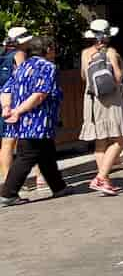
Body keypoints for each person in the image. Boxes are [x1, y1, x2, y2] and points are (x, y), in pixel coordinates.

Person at [0, 37, 67, 206]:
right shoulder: (48, 67)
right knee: (27, 155)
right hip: (38, 120)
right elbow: (39, 94)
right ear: (47, 49)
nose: (54, 51)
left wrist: (7, 108)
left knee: (46, 154)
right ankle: (8, 193)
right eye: (52, 48)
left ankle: (58, 187)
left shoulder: (22, 66)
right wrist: (18, 110)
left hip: (24, 121)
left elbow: (6, 90)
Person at [79, 19, 123, 196]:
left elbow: (84, 77)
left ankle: (105, 181)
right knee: (121, 140)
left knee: (100, 142)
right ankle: (101, 177)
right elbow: (117, 77)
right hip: (111, 100)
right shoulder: (111, 52)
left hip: (92, 100)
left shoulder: (85, 53)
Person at [0, 27, 40, 191]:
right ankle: (40, 177)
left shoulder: (3, 53)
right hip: (17, 100)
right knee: (32, 138)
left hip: (4, 99)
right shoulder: (19, 54)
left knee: (7, 142)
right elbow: (25, 77)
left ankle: (8, 179)